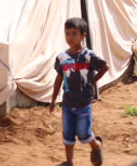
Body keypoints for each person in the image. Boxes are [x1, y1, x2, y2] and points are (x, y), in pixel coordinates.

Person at [49, 17, 109, 166]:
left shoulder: (88, 56)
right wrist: (53, 100)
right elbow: (59, 78)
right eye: (67, 33)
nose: (70, 37)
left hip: (83, 103)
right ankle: (69, 162)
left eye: (74, 34)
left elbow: (104, 67)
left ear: (83, 35)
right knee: (68, 134)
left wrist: (92, 82)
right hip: (68, 103)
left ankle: (96, 146)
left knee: (84, 134)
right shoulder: (62, 58)